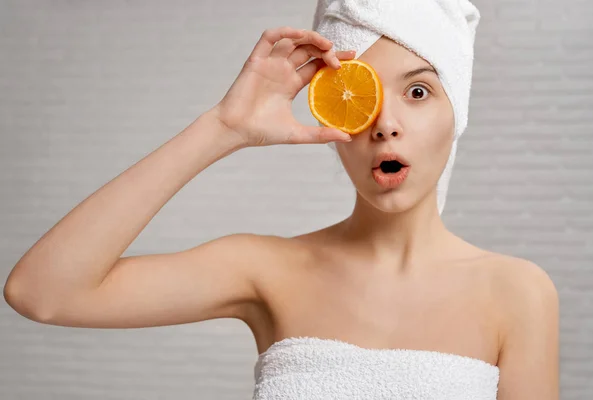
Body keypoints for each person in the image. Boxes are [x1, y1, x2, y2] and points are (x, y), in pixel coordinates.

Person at [4, 2, 559, 400]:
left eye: (418, 92)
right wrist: (224, 127)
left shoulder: (517, 293)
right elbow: (42, 292)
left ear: (456, 114)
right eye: (359, 94)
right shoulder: (266, 271)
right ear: (328, 112)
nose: (386, 124)